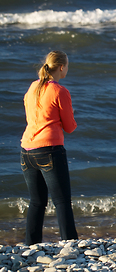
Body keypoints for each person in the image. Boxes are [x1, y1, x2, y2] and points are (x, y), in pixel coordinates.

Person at [20, 51, 78, 245]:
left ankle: (31, 244)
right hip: (50, 150)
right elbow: (70, 127)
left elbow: (31, 117)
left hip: (27, 149)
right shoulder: (60, 91)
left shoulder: (33, 87)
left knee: (37, 202)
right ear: (61, 67)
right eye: (67, 66)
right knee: (61, 201)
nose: (67, 70)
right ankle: (70, 244)